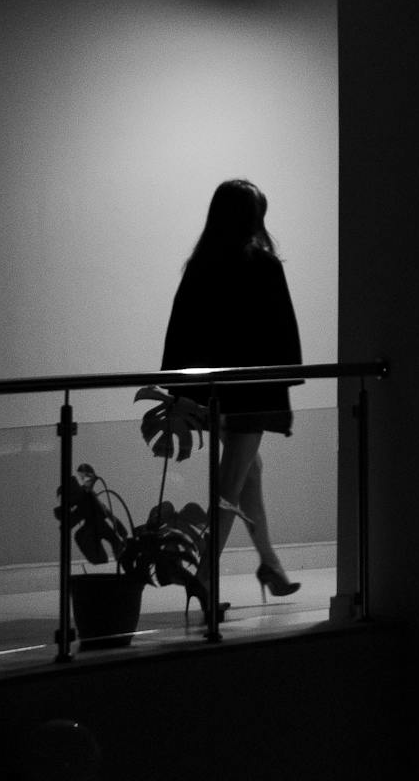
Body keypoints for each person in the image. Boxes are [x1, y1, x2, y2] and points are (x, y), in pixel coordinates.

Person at [161, 178, 304, 608]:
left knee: (249, 471)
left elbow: (180, 331)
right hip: (251, 392)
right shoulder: (262, 264)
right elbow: (281, 334)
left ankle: (271, 565)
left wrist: (181, 391)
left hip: (210, 391)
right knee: (232, 479)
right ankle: (205, 577)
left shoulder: (201, 264)